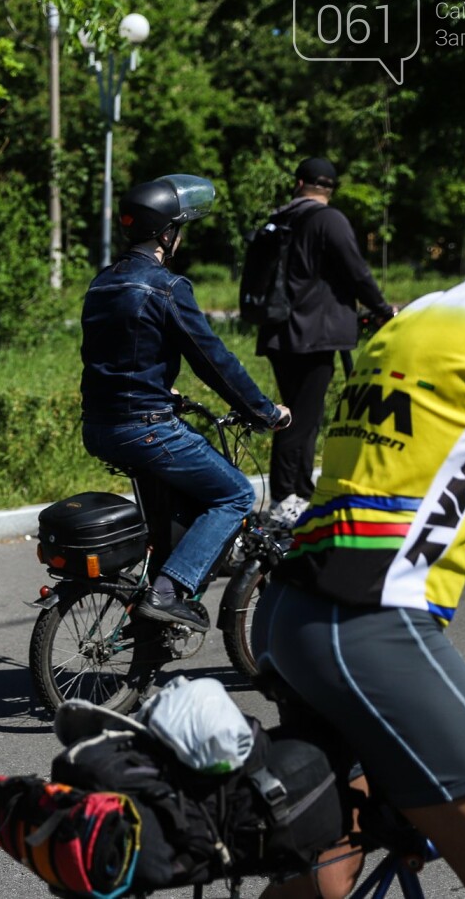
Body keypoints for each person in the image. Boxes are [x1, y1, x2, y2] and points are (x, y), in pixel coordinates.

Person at [255, 158, 465, 898]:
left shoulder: (430, 313)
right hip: (373, 627)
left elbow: (464, 502)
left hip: (297, 616)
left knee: (326, 870)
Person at [81, 174, 290, 631]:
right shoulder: (166, 286)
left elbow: (110, 354)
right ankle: (168, 591)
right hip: (147, 427)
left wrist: (162, 386)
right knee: (235, 493)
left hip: (99, 426)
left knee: (170, 511)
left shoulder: (102, 284)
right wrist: (264, 411)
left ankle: (151, 621)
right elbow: (213, 360)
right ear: (166, 233)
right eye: (180, 228)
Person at [256, 157, 395, 528]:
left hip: (279, 331)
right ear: (330, 188)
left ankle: (297, 492)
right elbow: (356, 271)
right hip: (311, 336)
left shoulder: (282, 216)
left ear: (299, 182)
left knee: (295, 417)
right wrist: (382, 310)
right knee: (302, 420)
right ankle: (288, 500)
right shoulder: (327, 219)